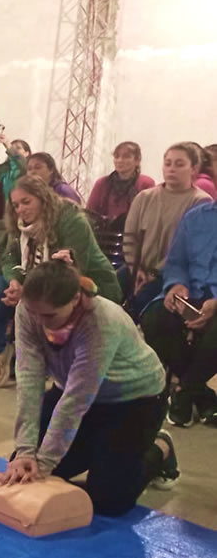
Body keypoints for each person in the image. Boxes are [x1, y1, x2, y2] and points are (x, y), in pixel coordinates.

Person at [0, 261, 179, 516]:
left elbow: (76, 400)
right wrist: (26, 452)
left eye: (49, 316)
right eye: (34, 313)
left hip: (134, 400)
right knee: (23, 469)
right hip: (77, 392)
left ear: (75, 299)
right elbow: (29, 380)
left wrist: (46, 463)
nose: (39, 322)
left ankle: (161, 448)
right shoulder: (27, 310)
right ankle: (101, 449)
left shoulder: (100, 320)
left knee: (108, 500)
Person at [0, 176, 123, 387]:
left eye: (26, 202)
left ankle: (44, 363)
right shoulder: (20, 226)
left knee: (41, 302)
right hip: (34, 278)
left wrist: (28, 291)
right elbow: (9, 258)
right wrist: (14, 282)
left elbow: (71, 270)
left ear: (43, 199)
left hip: (85, 280)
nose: (20, 209)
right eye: (16, 205)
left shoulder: (71, 219)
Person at [140, 201, 217, 427]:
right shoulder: (195, 217)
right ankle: (200, 394)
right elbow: (176, 262)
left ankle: (183, 391)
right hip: (189, 291)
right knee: (155, 318)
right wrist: (175, 285)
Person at [121, 143, 210, 317]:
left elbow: (189, 251)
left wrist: (154, 273)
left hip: (172, 276)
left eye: (179, 164)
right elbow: (130, 238)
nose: (171, 169)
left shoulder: (200, 203)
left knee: (139, 307)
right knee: (105, 293)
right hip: (136, 267)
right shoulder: (144, 197)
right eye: (167, 163)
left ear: (194, 169)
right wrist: (136, 268)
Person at [86, 141, 156, 229]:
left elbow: (149, 217)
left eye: (126, 157)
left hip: (133, 235)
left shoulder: (146, 183)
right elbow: (89, 214)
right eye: (116, 156)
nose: (120, 160)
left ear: (137, 161)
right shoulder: (102, 183)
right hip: (103, 234)